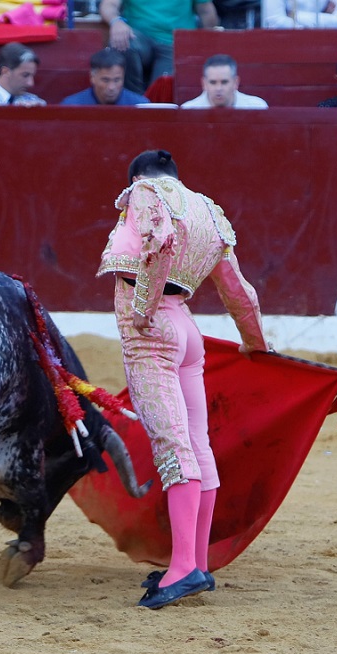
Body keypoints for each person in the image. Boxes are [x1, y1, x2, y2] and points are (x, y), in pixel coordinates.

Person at [96, 150, 270, 610]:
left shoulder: (143, 192)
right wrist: (255, 343)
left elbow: (160, 242)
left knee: (175, 449)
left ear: (138, 176)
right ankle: (196, 563)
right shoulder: (208, 210)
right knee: (197, 446)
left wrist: (144, 310)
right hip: (188, 333)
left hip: (153, 334)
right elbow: (237, 288)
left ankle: (183, 570)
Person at [98, 0, 219, 95]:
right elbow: (109, 4)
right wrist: (116, 21)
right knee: (122, 43)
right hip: (138, 37)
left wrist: (209, 43)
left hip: (175, 43)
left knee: (163, 89)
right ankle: (133, 102)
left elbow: (206, 11)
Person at [61, 49, 151, 106]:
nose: (111, 87)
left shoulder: (140, 106)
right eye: (105, 80)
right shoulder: (71, 106)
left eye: (117, 80)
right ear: (92, 78)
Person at [180, 54, 268, 109]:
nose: (218, 88)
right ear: (204, 84)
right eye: (213, 82)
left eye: (224, 82)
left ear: (235, 83)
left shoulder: (257, 107)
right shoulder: (188, 110)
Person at [264, 0, 337, 27]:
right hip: (285, 43)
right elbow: (275, 21)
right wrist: (324, 18)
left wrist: (294, 15)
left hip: (326, 44)